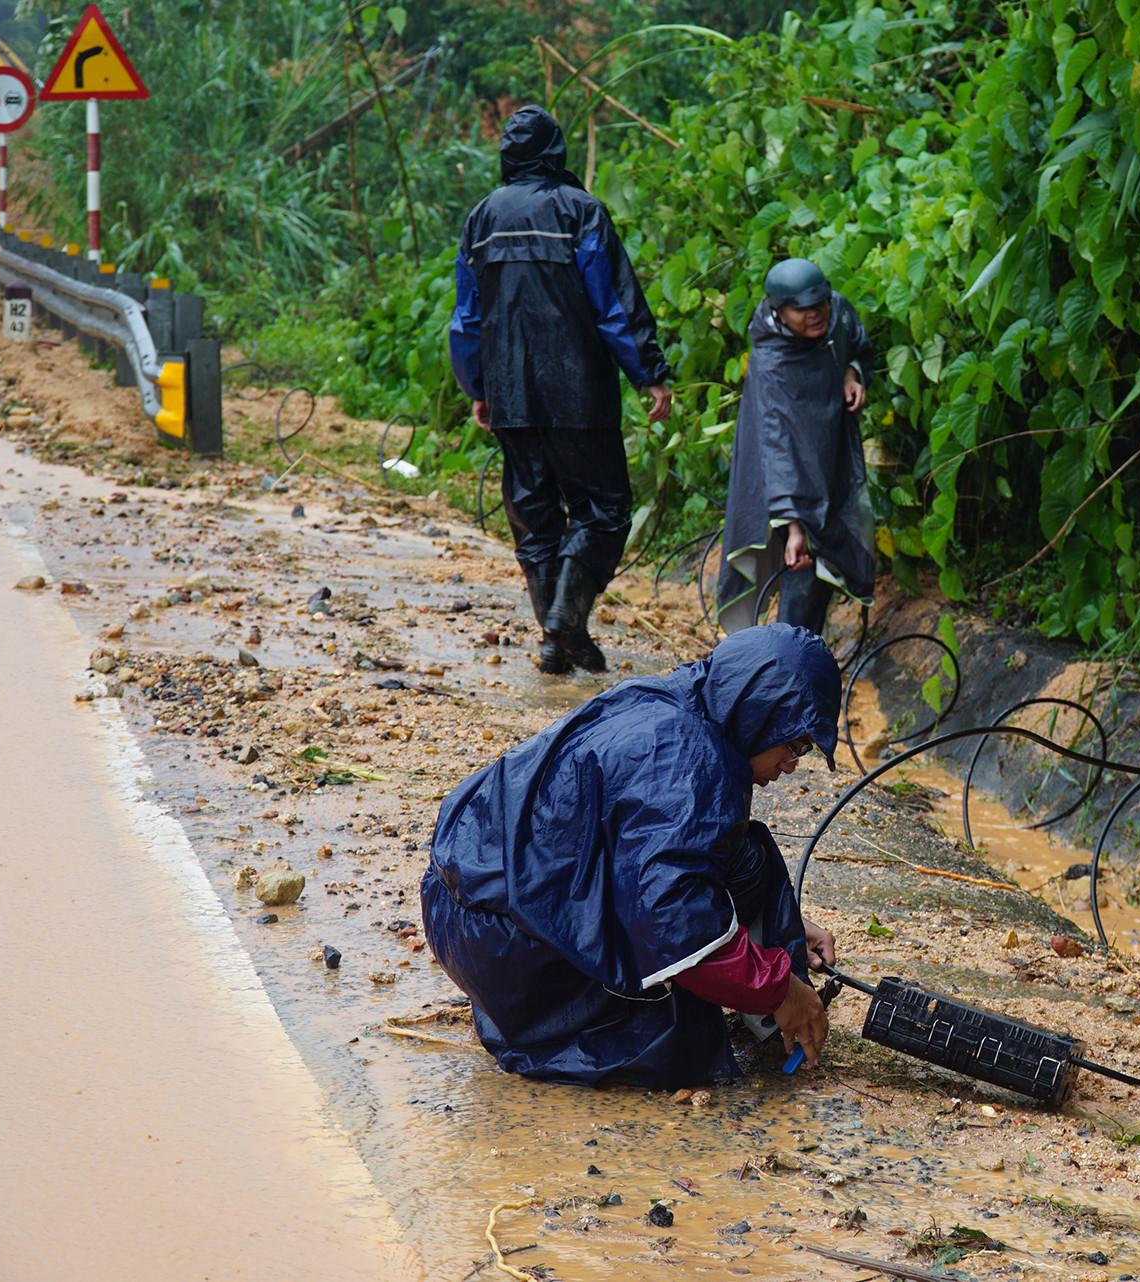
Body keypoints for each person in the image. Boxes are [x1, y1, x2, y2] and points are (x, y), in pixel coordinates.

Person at [421, 624, 840, 1087]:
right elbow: (673, 922)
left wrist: (784, 929)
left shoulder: (671, 697)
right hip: (504, 944)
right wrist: (780, 989)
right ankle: (553, 1017)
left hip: (463, 899)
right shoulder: (689, 763)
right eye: (794, 746)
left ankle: (747, 988)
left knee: (745, 858)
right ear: (759, 713)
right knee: (675, 1041)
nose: (791, 766)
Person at [448, 105, 675, 675]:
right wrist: (649, 372)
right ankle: (564, 625)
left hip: (511, 395)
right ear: (556, 151)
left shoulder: (481, 218)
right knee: (605, 509)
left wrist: (478, 386)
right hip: (579, 393)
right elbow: (614, 304)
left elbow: (466, 317)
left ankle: (558, 637)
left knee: (536, 518)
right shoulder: (580, 211)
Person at [716, 258, 874, 637]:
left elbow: (857, 343)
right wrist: (794, 525)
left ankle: (806, 660)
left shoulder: (837, 313)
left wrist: (851, 372)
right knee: (803, 566)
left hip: (831, 460)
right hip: (781, 482)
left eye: (818, 304)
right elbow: (777, 447)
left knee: (827, 565)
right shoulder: (772, 363)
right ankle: (785, 665)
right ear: (779, 312)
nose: (814, 314)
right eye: (801, 310)